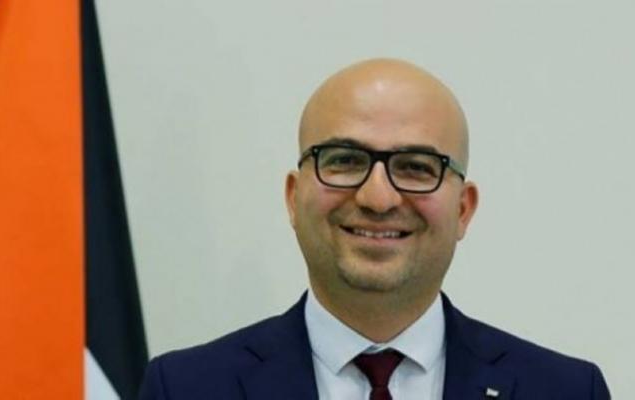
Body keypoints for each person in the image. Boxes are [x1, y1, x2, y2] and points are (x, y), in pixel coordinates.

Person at [138, 58, 610, 399]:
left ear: (463, 210)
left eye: (416, 166)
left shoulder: (565, 391)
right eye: (345, 161)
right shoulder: (184, 389)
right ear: (293, 197)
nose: (378, 198)